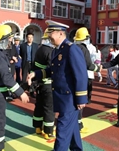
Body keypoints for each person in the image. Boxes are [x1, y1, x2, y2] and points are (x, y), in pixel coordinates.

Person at [27, 20, 88, 151]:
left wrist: (81, 98)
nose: (49, 35)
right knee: (72, 131)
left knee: (62, 133)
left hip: (69, 99)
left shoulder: (72, 49)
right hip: (61, 97)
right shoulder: (56, 50)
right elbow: (52, 70)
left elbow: (81, 74)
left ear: (60, 33)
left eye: (51, 32)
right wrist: (36, 74)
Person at [0, 24, 29, 151]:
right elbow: (6, 77)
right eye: (9, 40)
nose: (11, 42)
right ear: (3, 40)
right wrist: (21, 92)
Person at [74, 27, 101, 132]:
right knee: (80, 102)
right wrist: (98, 68)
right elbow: (89, 65)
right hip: (81, 79)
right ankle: (78, 125)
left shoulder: (71, 47)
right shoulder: (83, 49)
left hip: (71, 79)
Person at [32, 29, 55, 140]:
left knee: (39, 105)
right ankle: (48, 131)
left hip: (39, 83)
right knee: (49, 107)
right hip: (48, 84)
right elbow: (52, 69)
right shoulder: (50, 51)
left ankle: (37, 126)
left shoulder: (39, 49)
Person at [20, 32, 39, 97]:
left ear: (33, 38)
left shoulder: (36, 45)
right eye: (29, 37)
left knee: (32, 78)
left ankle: (31, 92)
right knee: (24, 77)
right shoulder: (22, 45)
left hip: (33, 64)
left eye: (31, 37)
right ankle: (21, 92)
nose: (30, 39)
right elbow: (21, 54)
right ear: (26, 38)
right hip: (25, 63)